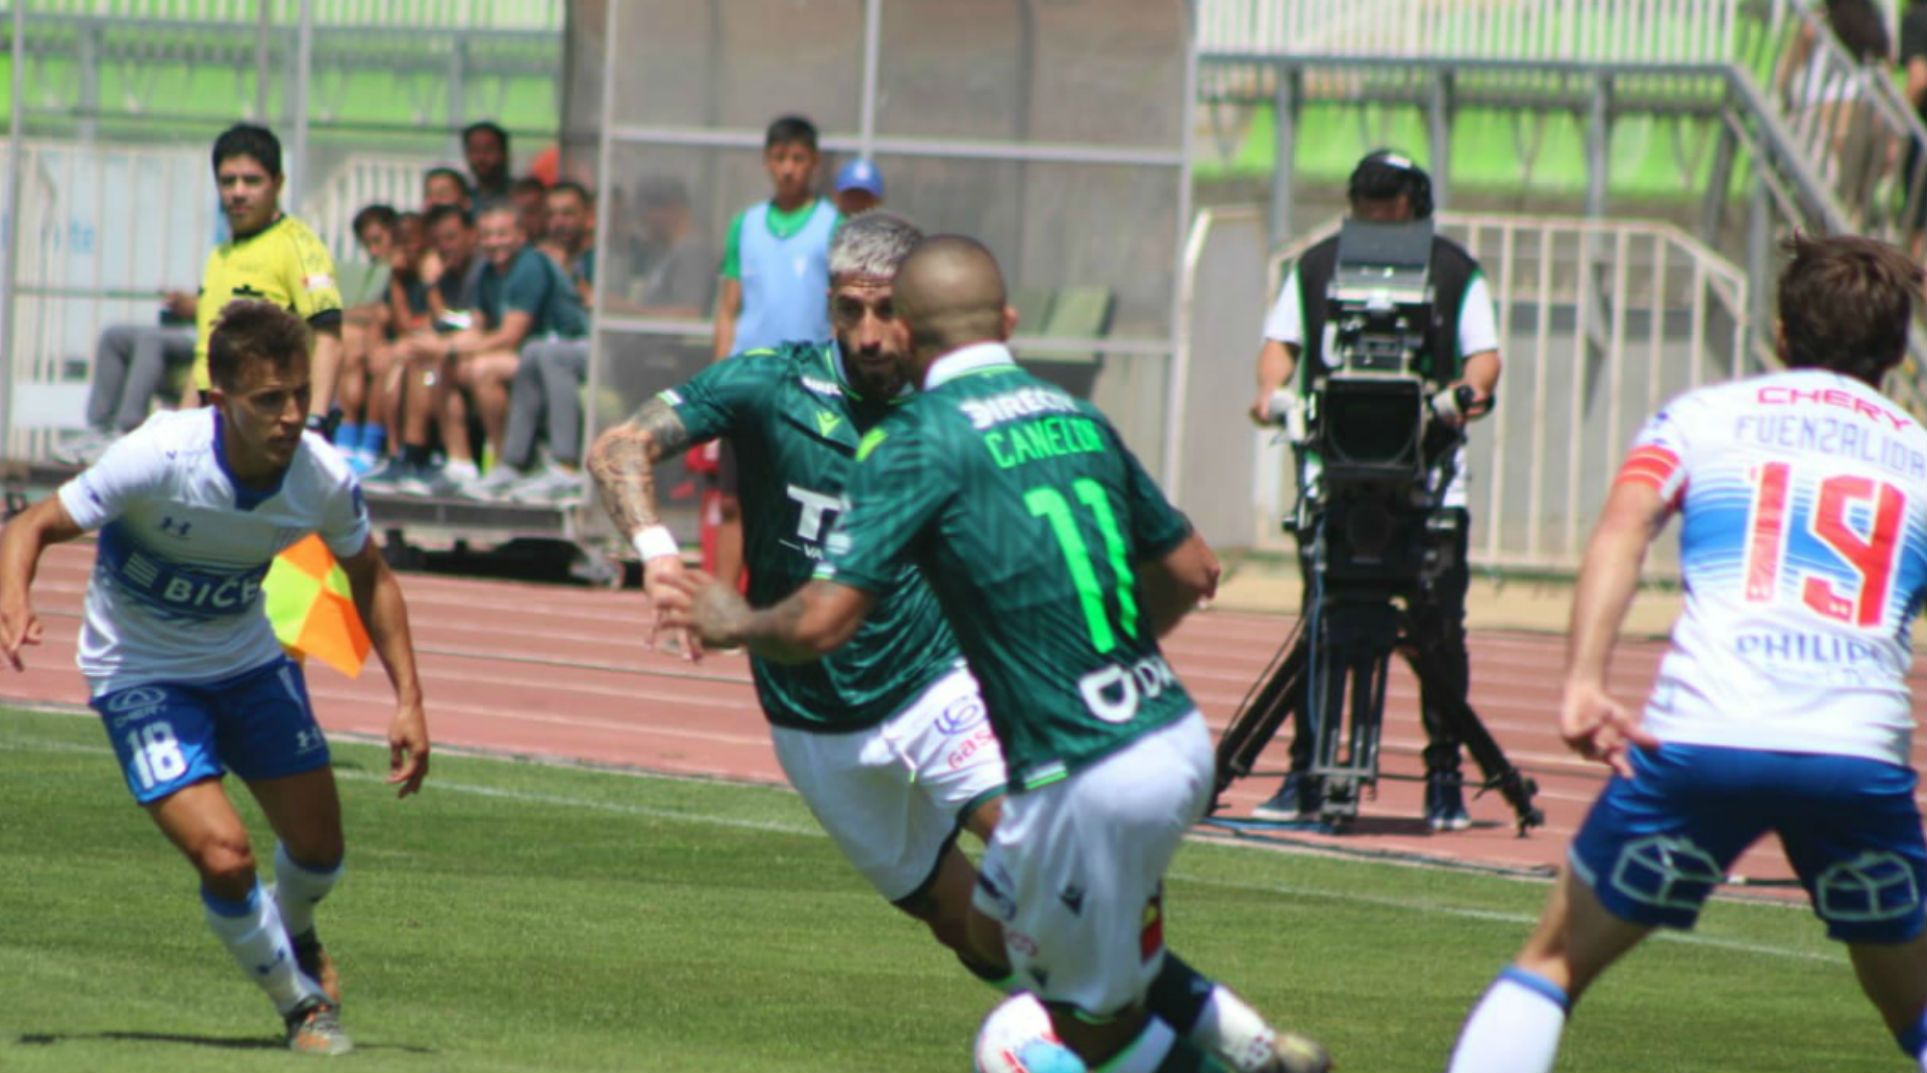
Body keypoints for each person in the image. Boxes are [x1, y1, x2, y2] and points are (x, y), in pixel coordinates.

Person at [659, 235, 1331, 1073]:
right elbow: (1195, 568)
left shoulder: (918, 438)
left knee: (1049, 1029)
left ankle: (1233, 1059)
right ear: (1009, 321)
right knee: (1005, 932)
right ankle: (1258, 1049)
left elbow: (821, 623)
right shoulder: (1075, 414)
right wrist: (1108, 649)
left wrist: (735, 618)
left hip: (1077, 768)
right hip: (1172, 735)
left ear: (903, 331)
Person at [1448, 233, 1927, 1069]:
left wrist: (1583, 683)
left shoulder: (1701, 418)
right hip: (1854, 753)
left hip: (1705, 734)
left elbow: (1622, 530)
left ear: (1780, 330)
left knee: (1552, 965)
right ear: (1896, 348)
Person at [0, 300, 431, 1054]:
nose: (292, 414)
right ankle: (300, 1008)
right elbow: (32, 523)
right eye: (269, 398)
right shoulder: (159, 455)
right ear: (219, 401)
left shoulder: (321, 476)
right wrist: (13, 596)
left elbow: (372, 575)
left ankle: (292, 927)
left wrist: (409, 701)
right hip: (139, 672)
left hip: (246, 661)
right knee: (227, 855)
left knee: (321, 850)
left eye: (299, 393)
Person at [1247, 149, 1501, 831]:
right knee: (1322, 624)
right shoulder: (1316, 264)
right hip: (1332, 482)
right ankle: (1304, 772)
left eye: (1389, 196)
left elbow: (1484, 357)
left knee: (1437, 633)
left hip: (1427, 484)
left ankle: (1443, 776)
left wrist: (1458, 397)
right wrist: (1273, 394)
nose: (1377, 207)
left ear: (1415, 201)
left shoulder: (1451, 268)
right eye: (1366, 195)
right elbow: (1279, 344)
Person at [709, 115, 843, 592]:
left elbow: (841, 310)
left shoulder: (833, 225)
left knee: (802, 500)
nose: (788, 169)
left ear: (814, 163)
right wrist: (720, 376)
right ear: (767, 161)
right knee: (732, 500)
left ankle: (795, 605)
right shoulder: (744, 225)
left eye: (798, 159)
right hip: (751, 381)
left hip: (808, 385)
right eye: (780, 158)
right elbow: (728, 307)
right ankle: (724, 608)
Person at [183, 124, 344, 434]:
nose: (238, 192)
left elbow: (329, 338)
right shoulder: (220, 256)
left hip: (265, 423)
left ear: (278, 183)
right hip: (213, 418)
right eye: (228, 181)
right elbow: (204, 355)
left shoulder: (299, 247)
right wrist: (181, 423)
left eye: (252, 181)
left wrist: (314, 423)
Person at [438, 204, 588, 501]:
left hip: (572, 345)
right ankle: (473, 464)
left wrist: (449, 346)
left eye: (502, 234)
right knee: (447, 367)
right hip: (532, 351)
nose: (494, 242)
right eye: (487, 235)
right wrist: (441, 348)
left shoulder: (530, 265)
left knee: (485, 368)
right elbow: (478, 327)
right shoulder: (485, 271)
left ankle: (551, 465)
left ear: (521, 236)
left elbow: (511, 334)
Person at [364, 204, 488, 496]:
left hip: (467, 355)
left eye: (452, 238)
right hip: (447, 351)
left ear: (472, 236)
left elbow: (457, 323)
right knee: (400, 359)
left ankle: (416, 455)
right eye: (440, 240)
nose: (445, 247)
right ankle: (398, 456)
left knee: (421, 361)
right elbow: (416, 324)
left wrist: (431, 285)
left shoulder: (477, 272)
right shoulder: (436, 274)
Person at [54, 291, 198, 465]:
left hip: (213, 334)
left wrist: (195, 305)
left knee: (150, 340)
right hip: (191, 327)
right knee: (114, 336)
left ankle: (125, 430)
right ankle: (100, 430)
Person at [463, 120, 513, 211]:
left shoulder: (518, 196)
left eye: (489, 149)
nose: (481, 157)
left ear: (504, 153)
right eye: (475, 150)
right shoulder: (463, 199)